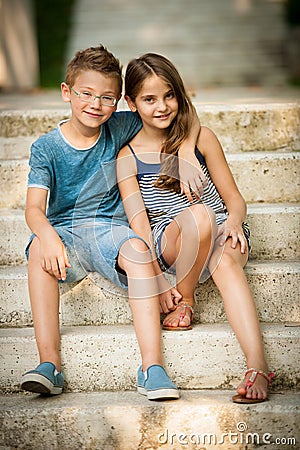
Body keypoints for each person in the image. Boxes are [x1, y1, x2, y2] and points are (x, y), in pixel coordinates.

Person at [20, 45, 205, 401]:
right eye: (85, 94)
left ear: (120, 101)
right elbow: (33, 209)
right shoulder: (46, 148)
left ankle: (152, 367)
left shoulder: (120, 125)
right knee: (37, 253)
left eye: (107, 97)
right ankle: (49, 364)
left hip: (109, 228)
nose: (95, 104)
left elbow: (185, 116)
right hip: (62, 229)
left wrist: (184, 151)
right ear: (66, 92)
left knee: (137, 249)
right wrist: (48, 236)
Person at [117, 52, 274, 404]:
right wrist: (157, 277)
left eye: (169, 95)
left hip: (220, 229)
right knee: (199, 215)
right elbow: (139, 223)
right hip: (172, 241)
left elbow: (235, 200)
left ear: (180, 94)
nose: (162, 106)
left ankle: (258, 366)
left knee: (224, 257)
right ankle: (185, 298)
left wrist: (234, 222)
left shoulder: (201, 139)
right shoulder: (128, 157)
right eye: (149, 99)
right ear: (131, 102)